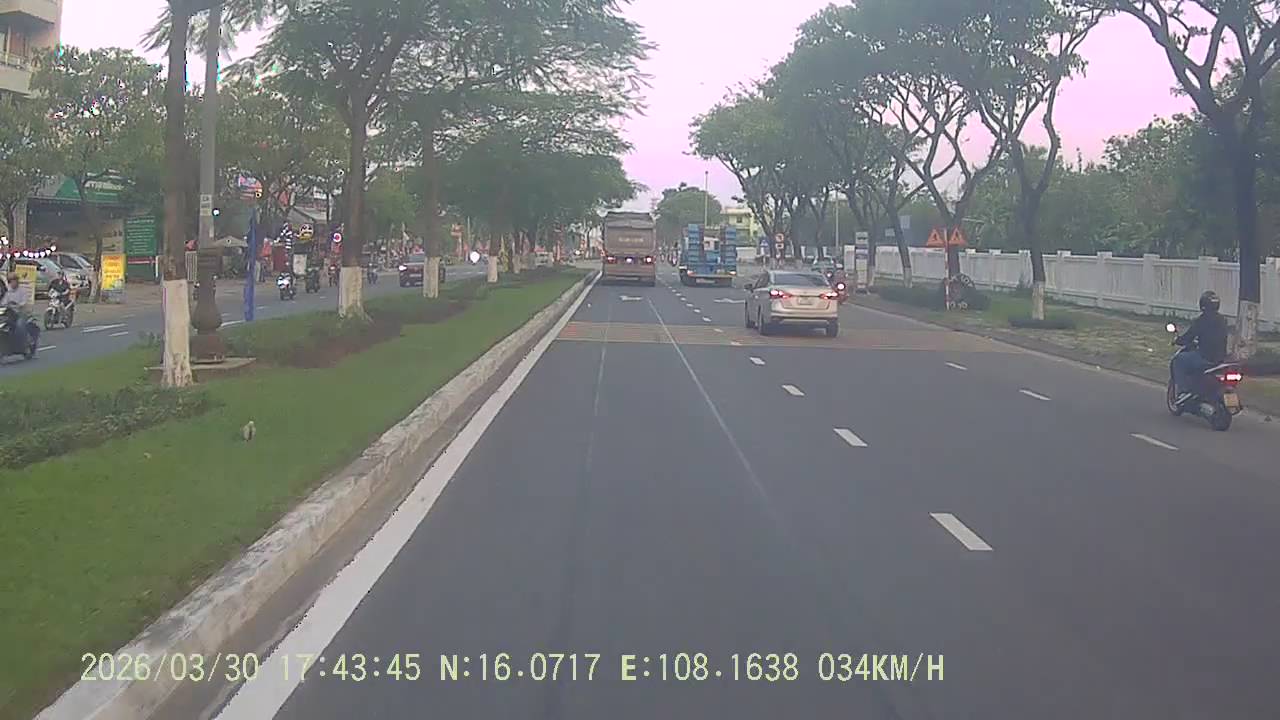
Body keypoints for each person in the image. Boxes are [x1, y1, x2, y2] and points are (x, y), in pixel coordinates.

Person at [1173, 290, 1229, 403]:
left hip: (1205, 357)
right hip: (1220, 359)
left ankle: (1183, 391)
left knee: (1179, 360)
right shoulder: (1223, 320)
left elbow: (1189, 337)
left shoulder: (1201, 320)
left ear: (1203, 305)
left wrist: (1178, 340)